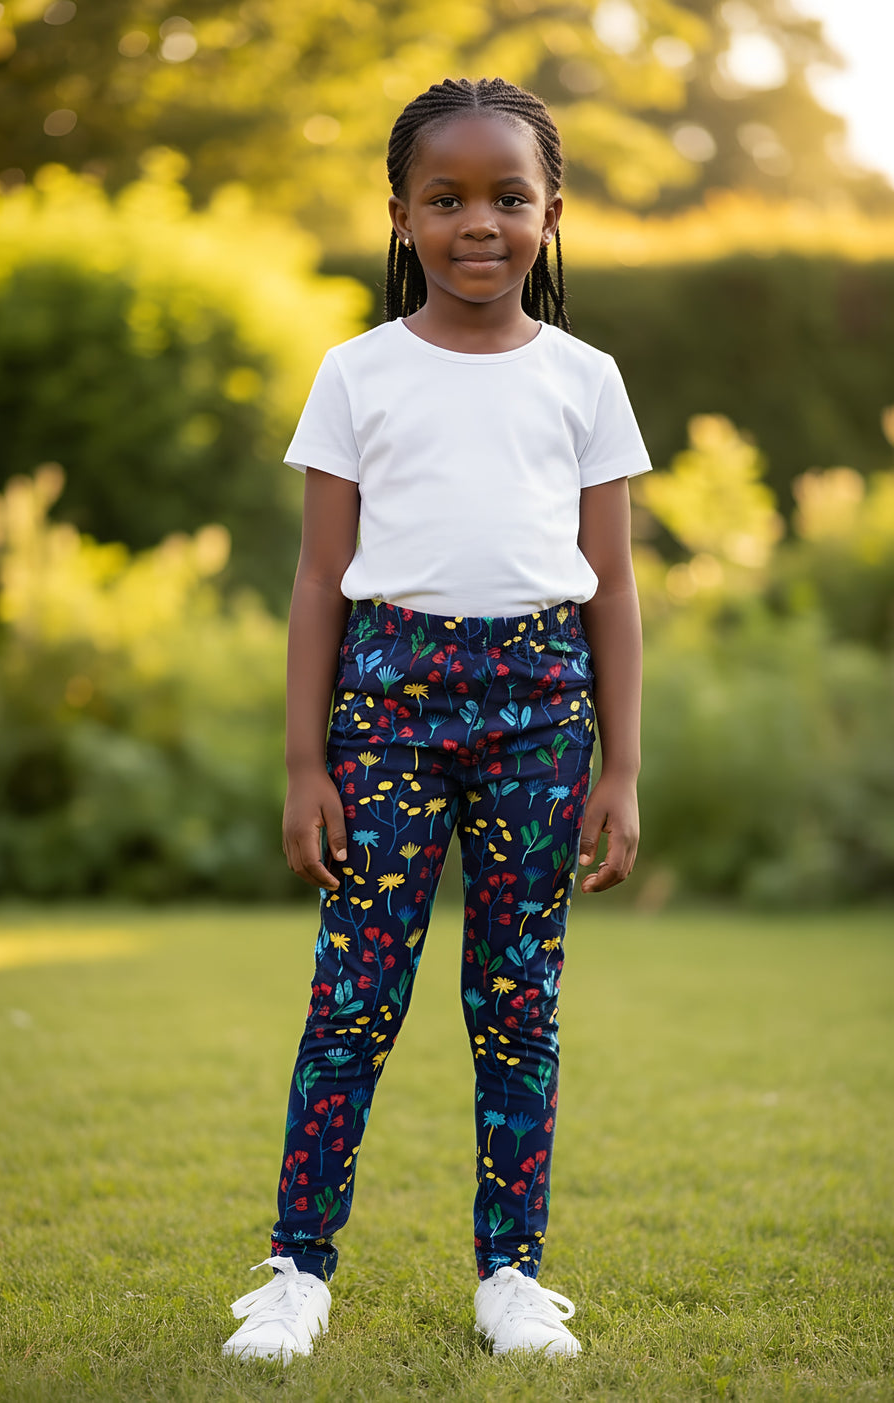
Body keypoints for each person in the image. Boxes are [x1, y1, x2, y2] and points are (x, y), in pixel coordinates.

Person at [222, 74, 653, 1365]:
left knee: (517, 998)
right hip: (388, 709)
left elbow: (614, 586)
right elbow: (316, 580)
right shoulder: (357, 374)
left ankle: (511, 1274)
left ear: (551, 211)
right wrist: (305, 762)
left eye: (509, 197)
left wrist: (620, 768)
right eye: (448, 197)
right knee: (355, 996)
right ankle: (298, 1271)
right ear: (400, 214)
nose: (481, 221)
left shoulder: (586, 378)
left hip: (540, 711)